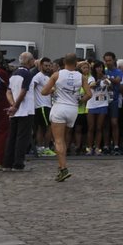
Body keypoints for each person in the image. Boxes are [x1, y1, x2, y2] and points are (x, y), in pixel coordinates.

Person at [40, 54, 88, 182]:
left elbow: (44, 91)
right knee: (64, 140)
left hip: (59, 107)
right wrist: (80, 101)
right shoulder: (81, 76)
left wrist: (54, 89)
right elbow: (89, 94)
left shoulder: (57, 75)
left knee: (58, 140)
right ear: (76, 63)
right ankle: (61, 165)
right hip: (73, 109)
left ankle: (63, 169)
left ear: (63, 62)